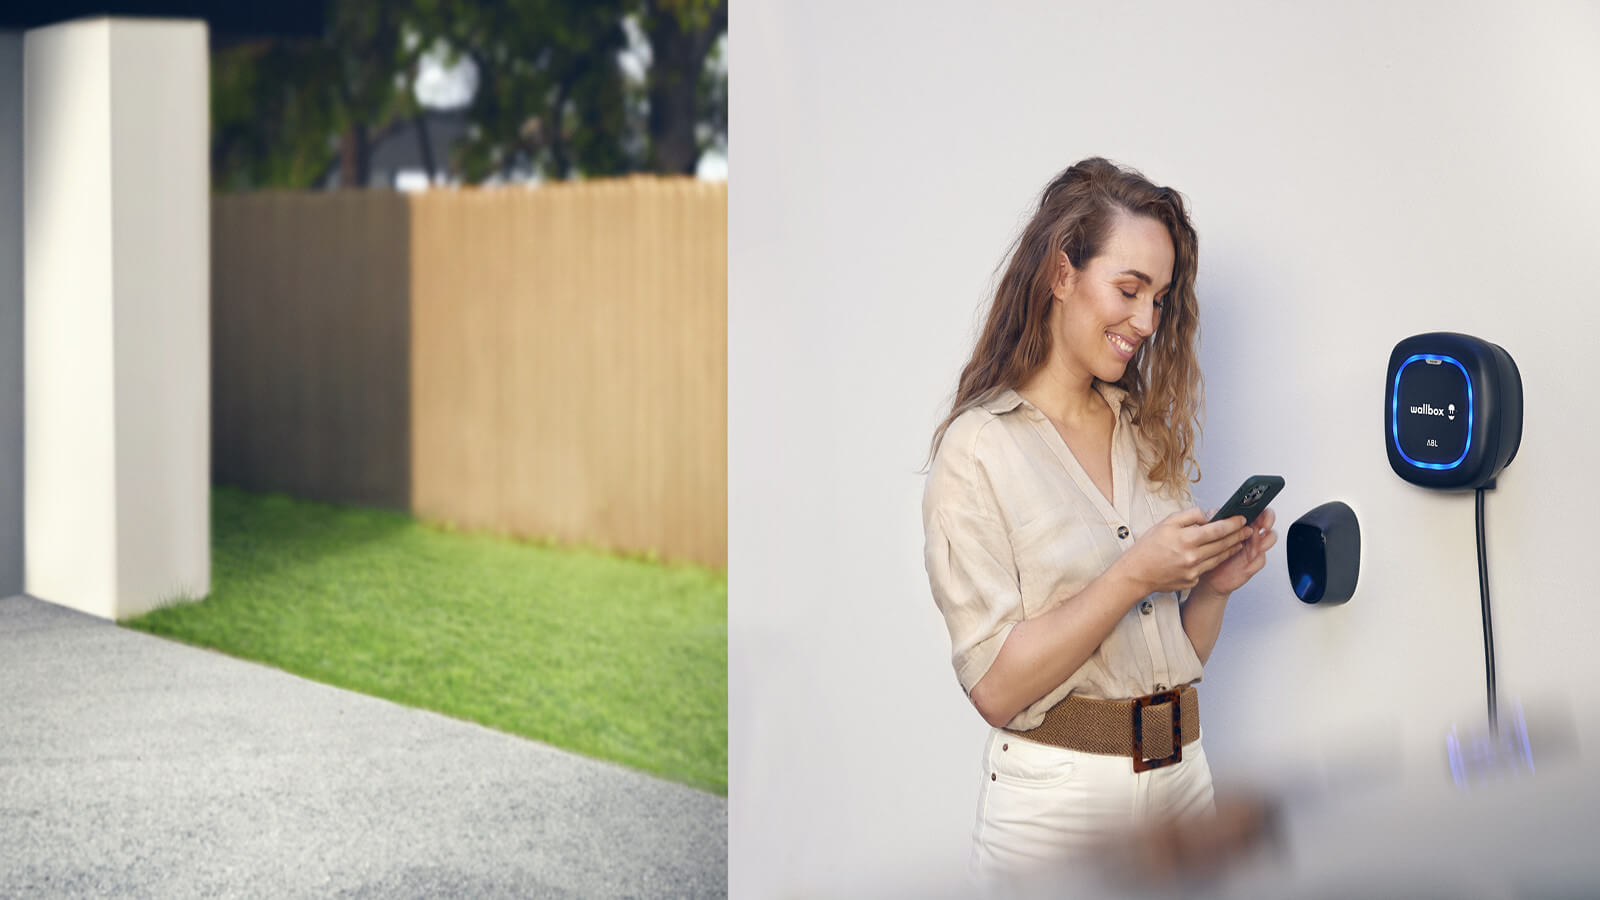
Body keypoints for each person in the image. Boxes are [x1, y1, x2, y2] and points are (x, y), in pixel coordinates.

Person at [921, 157, 1279, 891]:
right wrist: (1134, 576)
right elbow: (994, 689)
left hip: (1185, 779)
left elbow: (1174, 656)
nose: (1147, 322)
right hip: (1059, 804)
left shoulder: (1145, 434)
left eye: (1160, 299)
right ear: (1061, 276)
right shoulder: (980, 449)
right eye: (1129, 289)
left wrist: (1212, 588)